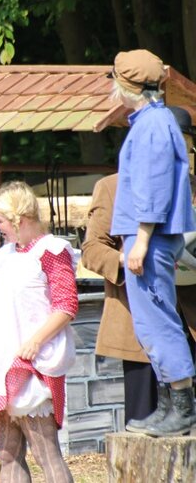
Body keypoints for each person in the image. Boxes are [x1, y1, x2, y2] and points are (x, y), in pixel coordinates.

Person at [82, 108, 196, 429]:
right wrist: (129, 258)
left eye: (183, 144)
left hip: (190, 316)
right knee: (143, 424)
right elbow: (92, 250)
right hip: (139, 319)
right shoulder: (112, 187)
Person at [108, 49, 196, 437]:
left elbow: (153, 187)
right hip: (148, 237)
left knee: (159, 322)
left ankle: (183, 409)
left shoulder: (153, 126)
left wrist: (141, 240)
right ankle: (167, 407)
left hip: (152, 238)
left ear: (126, 85)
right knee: (149, 325)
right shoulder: (152, 121)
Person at [0, 181, 77, 483]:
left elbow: (66, 305)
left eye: (0, 220)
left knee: (46, 455)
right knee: (7, 457)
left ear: (21, 219)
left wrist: (35, 341)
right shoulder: (5, 256)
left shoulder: (51, 251)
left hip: (31, 365)